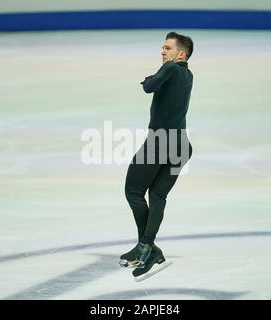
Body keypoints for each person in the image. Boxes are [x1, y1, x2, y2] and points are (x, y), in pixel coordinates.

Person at [119, 32, 194, 278]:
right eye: (162, 47)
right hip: (181, 145)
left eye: (167, 48)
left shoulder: (172, 69)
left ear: (181, 54)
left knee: (133, 191)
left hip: (161, 142)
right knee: (157, 194)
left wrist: (149, 78)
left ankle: (147, 248)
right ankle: (151, 251)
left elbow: (149, 87)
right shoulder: (188, 75)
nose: (162, 51)